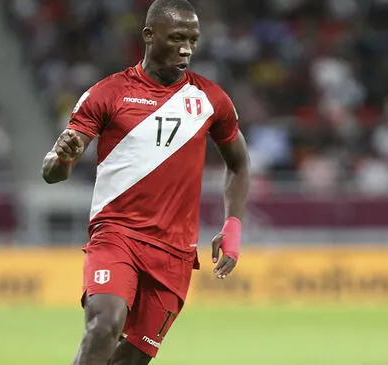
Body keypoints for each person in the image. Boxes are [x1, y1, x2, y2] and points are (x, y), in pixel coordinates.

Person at [41, 0, 249, 363]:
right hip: (117, 235)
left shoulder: (211, 100)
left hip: (174, 252)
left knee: (131, 359)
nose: (186, 48)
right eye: (177, 38)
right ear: (149, 36)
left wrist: (232, 227)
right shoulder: (108, 94)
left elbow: (239, 164)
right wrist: (62, 155)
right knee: (104, 324)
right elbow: (53, 173)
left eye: (193, 40)